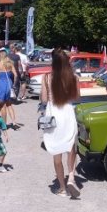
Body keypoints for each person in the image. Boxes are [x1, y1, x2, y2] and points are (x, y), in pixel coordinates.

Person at [41, 49, 81, 198]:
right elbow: (77, 98)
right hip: (67, 113)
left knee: (56, 151)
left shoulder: (46, 77)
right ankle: (71, 177)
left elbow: (44, 99)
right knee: (71, 147)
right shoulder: (73, 77)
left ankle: (63, 188)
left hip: (53, 114)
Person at [0, 50, 18, 128]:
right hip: (9, 84)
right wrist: (14, 84)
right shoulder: (10, 64)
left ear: (0, 56)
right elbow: (16, 75)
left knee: (2, 105)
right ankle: (14, 122)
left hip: (1, 84)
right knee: (9, 104)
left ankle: (4, 124)